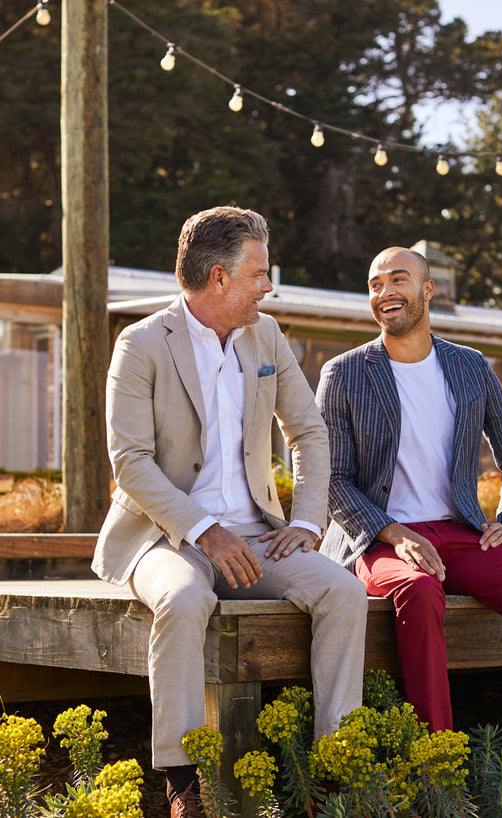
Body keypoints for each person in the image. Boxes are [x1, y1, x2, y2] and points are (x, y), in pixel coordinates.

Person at [92, 206, 367, 818]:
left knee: (344, 591)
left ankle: (332, 774)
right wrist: (204, 530)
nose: (268, 286)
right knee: (187, 599)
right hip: (163, 537)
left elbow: (308, 432)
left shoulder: (266, 336)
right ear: (219, 277)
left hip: (259, 534)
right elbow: (130, 463)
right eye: (259, 273)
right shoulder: (140, 344)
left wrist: (305, 522)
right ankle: (181, 780)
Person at [316, 246, 502, 818]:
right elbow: (332, 481)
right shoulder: (343, 373)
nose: (385, 291)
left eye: (398, 278)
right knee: (418, 588)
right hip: (379, 536)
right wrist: (391, 532)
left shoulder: (469, 367)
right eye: (374, 283)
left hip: (461, 530)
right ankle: (436, 780)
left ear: (428, 290)